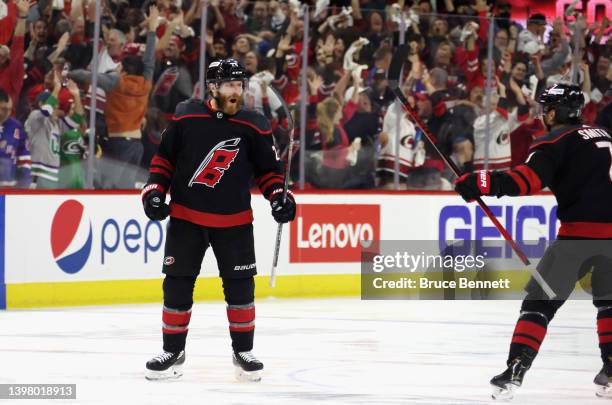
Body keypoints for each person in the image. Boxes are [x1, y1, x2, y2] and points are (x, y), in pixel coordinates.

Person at [454, 83, 612, 400]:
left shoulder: (553, 141)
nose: (542, 115)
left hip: (577, 238)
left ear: (554, 112)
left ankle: (514, 371)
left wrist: (479, 182)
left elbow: (526, 181)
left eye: (546, 109)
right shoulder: (605, 134)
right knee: (609, 302)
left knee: (538, 306)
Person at [142, 59, 296, 382]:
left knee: (241, 288)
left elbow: (269, 172)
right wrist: (154, 191)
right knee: (177, 283)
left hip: (235, 221)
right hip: (187, 217)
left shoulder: (254, 123)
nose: (236, 91)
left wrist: (281, 198)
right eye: (229, 85)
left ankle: (243, 351)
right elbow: (164, 159)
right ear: (212, 87)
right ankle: (173, 350)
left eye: (239, 85)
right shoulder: (187, 115)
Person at [0, 89, 30, 187]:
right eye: (4, 109)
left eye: (10, 109)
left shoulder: (16, 126)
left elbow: (24, 154)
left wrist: (24, 181)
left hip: (9, 190)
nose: (8, 113)